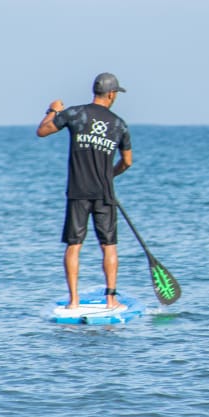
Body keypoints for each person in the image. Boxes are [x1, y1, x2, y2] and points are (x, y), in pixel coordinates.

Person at [35, 72, 133, 309]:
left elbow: (42, 131)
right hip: (104, 193)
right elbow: (127, 162)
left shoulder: (75, 113)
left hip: (77, 192)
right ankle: (111, 300)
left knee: (74, 245)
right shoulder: (119, 124)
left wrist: (52, 110)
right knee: (108, 246)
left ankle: (74, 301)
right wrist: (109, 175)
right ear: (111, 94)